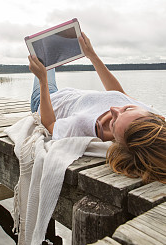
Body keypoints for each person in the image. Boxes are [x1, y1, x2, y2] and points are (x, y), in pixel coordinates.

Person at [29, 32, 166, 184]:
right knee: (48, 57)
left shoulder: (85, 125)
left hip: (48, 99)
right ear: (157, 117)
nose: (115, 109)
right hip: (72, 94)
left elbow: (49, 124)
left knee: (44, 60)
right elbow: (119, 95)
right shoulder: (149, 116)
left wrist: (43, 81)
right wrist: (92, 55)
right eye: (126, 109)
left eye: (113, 123)